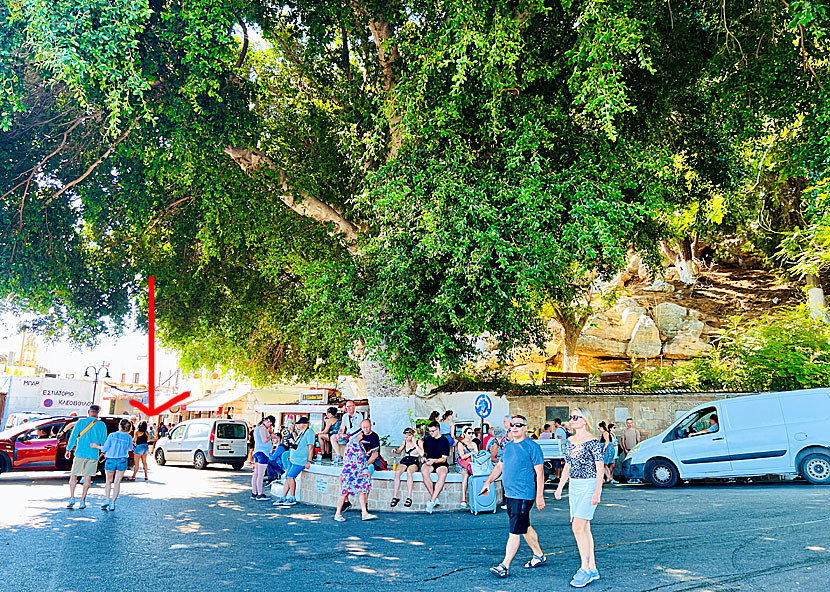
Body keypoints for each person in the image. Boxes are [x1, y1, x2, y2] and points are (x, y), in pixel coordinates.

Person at [482, 414, 546, 579]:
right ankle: (539, 555)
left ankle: (504, 565)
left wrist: (540, 496)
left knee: (514, 531)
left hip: (524, 495)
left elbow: (540, 473)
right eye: (513, 425)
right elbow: (499, 467)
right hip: (510, 494)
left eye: (519, 425)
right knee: (524, 526)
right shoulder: (508, 447)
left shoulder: (532, 447)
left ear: (525, 427)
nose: (515, 428)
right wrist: (488, 481)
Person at [554, 408, 605, 588]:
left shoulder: (593, 441)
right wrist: (560, 487)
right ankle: (593, 568)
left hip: (589, 485)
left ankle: (584, 569)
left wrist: (597, 491)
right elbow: (568, 465)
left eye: (576, 417)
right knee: (585, 528)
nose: (572, 419)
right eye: (571, 417)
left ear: (585, 420)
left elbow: (600, 468)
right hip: (574, 486)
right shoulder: (570, 441)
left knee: (577, 526)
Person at [65, 404, 107, 510]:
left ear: (89, 412)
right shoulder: (102, 425)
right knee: (88, 477)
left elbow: (73, 436)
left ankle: (72, 498)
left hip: (80, 453)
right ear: (98, 413)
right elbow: (104, 441)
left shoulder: (80, 422)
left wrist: (68, 449)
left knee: (74, 475)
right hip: (93, 454)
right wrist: (104, 452)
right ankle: (82, 500)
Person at [333, 431, 378, 522]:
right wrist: (364, 471)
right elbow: (355, 461)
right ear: (356, 435)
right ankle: (337, 513)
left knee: (362, 491)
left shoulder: (360, 444)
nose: (362, 434)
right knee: (345, 492)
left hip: (358, 473)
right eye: (360, 433)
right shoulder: (352, 446)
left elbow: (361, 458)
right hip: (351, 473)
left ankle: (364, 513)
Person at [93, 418, 134, 511]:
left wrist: (97, 446)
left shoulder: (112, 435)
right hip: (122, 460)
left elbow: (105, 448)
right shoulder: (128, 437)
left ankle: (107, 499)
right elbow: (130, 448)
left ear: (119, 426)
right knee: (117, 482)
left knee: (108, 481)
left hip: (111, 459)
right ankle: (113, 503)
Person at [275, 416, 316, 505]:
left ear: (304, 425)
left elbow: (311, 447)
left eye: (299, 424)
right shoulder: (301, 432)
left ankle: (292, 497)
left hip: (300, 460)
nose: (297, 425)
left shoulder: (309, 432)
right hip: (293, 459)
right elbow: (298, 445)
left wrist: (309, 460)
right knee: (287, 478)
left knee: (290, 476)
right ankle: (283, 496)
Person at [420, 421, 450, 513]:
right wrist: (423, 458)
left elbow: (444, 459)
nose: (431, 433)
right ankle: (434, 497)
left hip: (440, 462)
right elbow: (424, 453)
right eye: (430, 431)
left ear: (438, 430)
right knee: (424, 471)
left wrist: (433, 460)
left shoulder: (444, 441)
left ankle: (432, 501)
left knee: (443, 474)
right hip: (430, 462)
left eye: (433, 431)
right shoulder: (428, 440)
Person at [390, 427, 420, 508]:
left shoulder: (417, 441)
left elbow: (422, 452)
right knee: (397, 472)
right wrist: (395, 451)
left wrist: (415, 443)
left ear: (411, 436)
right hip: (406, 459)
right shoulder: (405, 442)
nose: (406, 439)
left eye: (407, 437)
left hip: (414, 459)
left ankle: (409, 497)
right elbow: (400, 450)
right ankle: (395, 496)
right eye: (405, 437)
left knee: (409, 472)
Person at [251, 415, 274, 501]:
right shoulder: (263, 428)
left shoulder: (258, 427)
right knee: (260, 474)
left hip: (257, 451)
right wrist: (271, 436)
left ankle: (254, 492)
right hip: (263, 453)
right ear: (265, 421)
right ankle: (259, 494)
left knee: (256, 473)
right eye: (269, 422)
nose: (269, 424)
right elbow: (264, 440)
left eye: (271, 423)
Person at [455, 426, 479, 509]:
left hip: (472, 464)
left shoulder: (474, 444)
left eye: (472, 433)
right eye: (469, 433)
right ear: (464, 434)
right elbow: (462, 456)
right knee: (465, 475)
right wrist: (472, 453)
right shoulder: (460, 443)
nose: (471, 435)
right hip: (462, 464)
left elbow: (477, 454)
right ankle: (463, 499)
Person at [621, 417, 642, 482]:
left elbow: (638, 441)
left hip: (635, 450)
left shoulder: (636, 431)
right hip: (627, 450)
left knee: (636, 463)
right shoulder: (624, 431)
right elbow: (623, 441)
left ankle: (637, 478)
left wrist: (636, 449)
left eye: (630, 423)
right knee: (628, 464)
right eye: (628, 423)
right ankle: (630, 478)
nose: (629, 424)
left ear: (632, 423)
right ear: (626, 424)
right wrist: (625, 449)